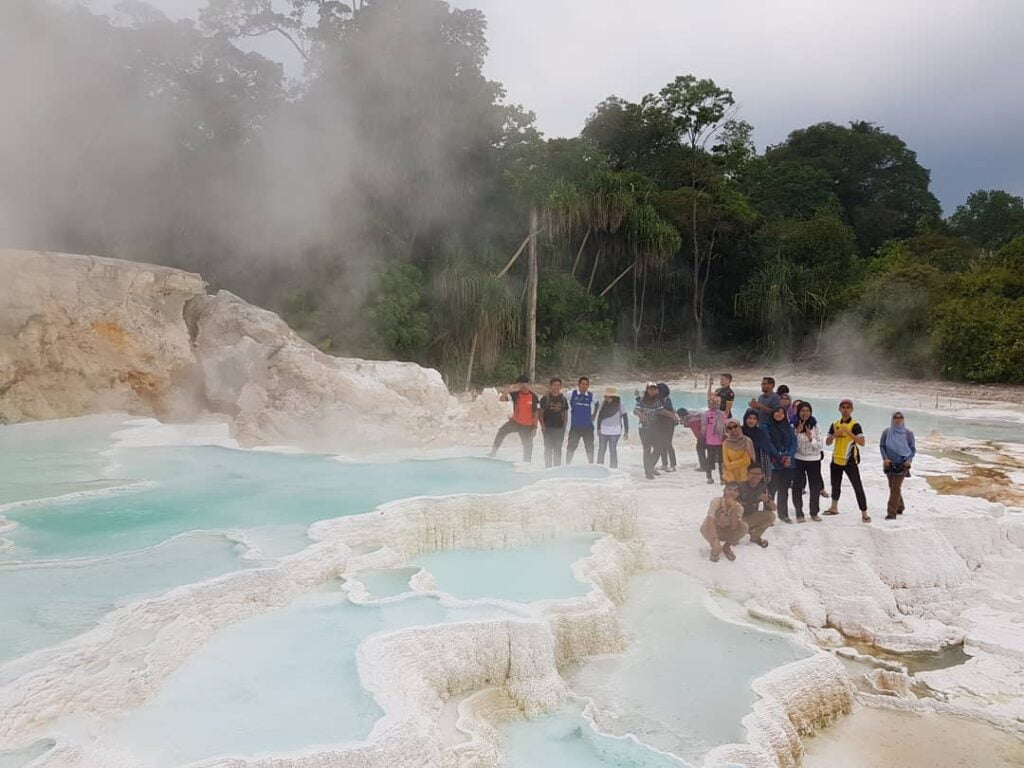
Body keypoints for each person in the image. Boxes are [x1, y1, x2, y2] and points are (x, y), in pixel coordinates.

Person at [825, 399, 870, 523]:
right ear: (839, 409)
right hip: (836, 459)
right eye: (843, 407)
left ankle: (864, 513)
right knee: (835, 485)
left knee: (857, 486)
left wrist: (848, 432)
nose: (845, 410)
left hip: (850, 461)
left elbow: (862, 442)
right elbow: (827, 442)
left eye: (848, 408)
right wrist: (835, 435)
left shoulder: (855, 425)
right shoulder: (835, 424)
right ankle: (834, 508)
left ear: (851, 410)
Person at [489, 376, 539, 461]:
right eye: (521, 383)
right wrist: (509, 389)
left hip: (527, 425)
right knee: (501, 431)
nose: (523, 385)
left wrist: (535, 427)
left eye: (525, 383)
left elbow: (536, 413)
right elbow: (501, 399)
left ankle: (527, 462)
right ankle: (493, 453)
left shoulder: (534, 396)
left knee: (528, 445)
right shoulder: (515, 394)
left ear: (528, 384)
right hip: (515, 422)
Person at [634, 382, 676, 480]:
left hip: (655, 428)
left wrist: (673, 415)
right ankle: (648, 471)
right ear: (647, 390)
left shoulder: (658, 401)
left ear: (657, 390)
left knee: (658, 448)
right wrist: (641, 415)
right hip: (643, 429)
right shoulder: (642, 400)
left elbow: (661, 410)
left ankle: (650, 467)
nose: (652, 391)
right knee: (647, 450)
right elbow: (635, 410)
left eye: (654, 389)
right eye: (650, 389)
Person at [791, 402, 825, 522]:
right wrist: (796, 432)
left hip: (814, 460)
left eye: (807, 411)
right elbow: (791, 445)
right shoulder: (793, 425)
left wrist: (811, 438)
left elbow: (820, 445)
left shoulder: (815, 426)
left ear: (810, 412)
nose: (805, 413)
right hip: (798, 459)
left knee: (815, 488)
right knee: (797, 487)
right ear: (798, 412)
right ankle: (799, 513)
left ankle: (814, 513)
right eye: (802, 411)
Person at [880, 412, 916, 520]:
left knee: (895, 487)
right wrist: (885, 458)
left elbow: (912, 449)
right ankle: (900, 506)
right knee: (892, 486)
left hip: (902, 464)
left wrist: (909, 460)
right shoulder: (886, 432)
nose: (898, 420)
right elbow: (882, 446)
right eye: (895, 417)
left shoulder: (908, 433)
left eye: (900, 418)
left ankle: (891, 513)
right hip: (889, 464)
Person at [765, 406, 797, 522]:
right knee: (771, 489)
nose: (779, 414)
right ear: (773, 413)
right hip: (774, 461)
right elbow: (768, 443)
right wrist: (779, 456)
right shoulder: (767, 427)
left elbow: (794, 442)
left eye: (782, 413)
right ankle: (767, 516)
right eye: (777, 412)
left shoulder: (789, 427)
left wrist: (788, 456)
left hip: (788, 462)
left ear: (785, 415)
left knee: (784, 489)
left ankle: (783, 514)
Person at [700, 483, 747, 562]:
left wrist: (734, 509)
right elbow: (710, 520)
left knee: (744, 526)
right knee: (705, 525)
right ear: (724, 491)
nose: (732, 492)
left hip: (726, 530)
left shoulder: (739, 508)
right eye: (729, 489)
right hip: (714, 530)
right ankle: (714, 547)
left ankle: (727, 547)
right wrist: (715, 540)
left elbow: (734, 527)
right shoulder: (716, 501)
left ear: (738, 494)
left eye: (735, 491)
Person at [738, 465, 775, 548]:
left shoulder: (763, 487)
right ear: (747, 474)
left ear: (762, 476)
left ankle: (754, 536)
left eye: (758, 474)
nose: (756, 476)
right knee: (734, 541)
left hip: (750, 518)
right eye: (753, 473)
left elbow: (774, 508)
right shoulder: (740, 486)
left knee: (771, 516)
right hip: (737, 519)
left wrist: (768, 501)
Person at [565, 376, 597, 465]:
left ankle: (591, 465)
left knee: (590, 447)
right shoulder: (572, 394)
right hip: (575, 426)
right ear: (579, 385)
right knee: (571, 447)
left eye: (586, 384)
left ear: (588, 386)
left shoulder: (591, 395)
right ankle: (567, 464)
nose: (584, 386)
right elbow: (562, 398)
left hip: (588, 427)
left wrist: (594, 415)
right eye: (582, 384)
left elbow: (597, 403)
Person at [538, 377, 569, 468]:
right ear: (550, 386)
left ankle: (557, 467)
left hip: (559, 428)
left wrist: (564, 427)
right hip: (548, 428)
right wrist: (542, 426)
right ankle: (548, 467)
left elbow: (565, 414)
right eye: (554, 385)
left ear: (561, 387)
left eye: (558, 385)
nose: (556, 387)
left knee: (558, 449)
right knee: (548, 448)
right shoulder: (545, 398)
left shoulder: (563, 399)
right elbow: (541, 413)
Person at [596, 387, 629, 468]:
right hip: (603, 430)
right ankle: (599, 467)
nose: (606, 398)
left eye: (608, 396)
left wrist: (626, 431)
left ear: (613, 397)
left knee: (612, 450)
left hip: (615, 430)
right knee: (601, 450)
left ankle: (613, 468)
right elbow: (599, 416)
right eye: (606, 396)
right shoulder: (603, 403)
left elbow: (625, 417)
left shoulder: (620, 404)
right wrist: (598, 428)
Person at [701, 395, 727, 484]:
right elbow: (724, 426)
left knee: (711, 459)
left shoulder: (706, 414)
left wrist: (703, 435)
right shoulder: (722, 414)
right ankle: (721, 478)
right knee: (720, 460)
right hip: (718, 440)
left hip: (712, 440)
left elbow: (704, 428)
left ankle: (710, 477)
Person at [742, 407, 773, 480]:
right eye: (749, 418)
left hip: (757, 466)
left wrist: (767, 473)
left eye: (754, 419)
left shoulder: (761, 433)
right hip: (741, 467)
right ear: (745, 419)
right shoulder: (739, 432)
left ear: (757, 421)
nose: (751, 421)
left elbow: (766, 453)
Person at [722, 418, 755, 483]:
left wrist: (731, 464)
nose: (733, 429)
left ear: (739, 427)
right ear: (727, 430)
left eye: (735, 426)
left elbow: (747, 460)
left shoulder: (747, 441)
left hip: (746, 478)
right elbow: (726, 463)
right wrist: (741, 462)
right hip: (730, 478)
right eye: (730, 428)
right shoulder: (725, 443)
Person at [656, 383, 678, 472]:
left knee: (668, 444)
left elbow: (666, 411)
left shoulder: (666, 399)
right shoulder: (659, 399)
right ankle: (664, 464)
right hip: (660, 425)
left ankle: (673, 465)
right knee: (661, 444)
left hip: (668, 425)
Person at [681, 407, 708, 473]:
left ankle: (703, 467)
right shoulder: (694, 415)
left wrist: (700, 438)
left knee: (700, 448)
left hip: (703, 436)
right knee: (710, 450)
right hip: (709, 435)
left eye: (681, 417)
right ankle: (708, 465)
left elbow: (696, 432)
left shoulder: (692, 421)